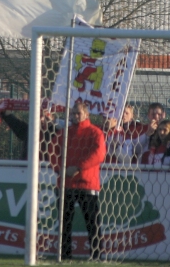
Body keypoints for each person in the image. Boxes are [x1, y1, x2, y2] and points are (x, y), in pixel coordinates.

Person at [55, 102, 105, 261]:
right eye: (73, 113)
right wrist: (60, 170)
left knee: (93, 224)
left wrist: (78, 167)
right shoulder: (63, 133)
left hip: (87, 184)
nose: (76, 116)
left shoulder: (95, 132)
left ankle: (97, 255)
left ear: (86, 114)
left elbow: (99, 154)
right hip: (66, 183)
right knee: (64, 224)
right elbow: (52, 151)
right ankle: (64, 255)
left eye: (79, 113)